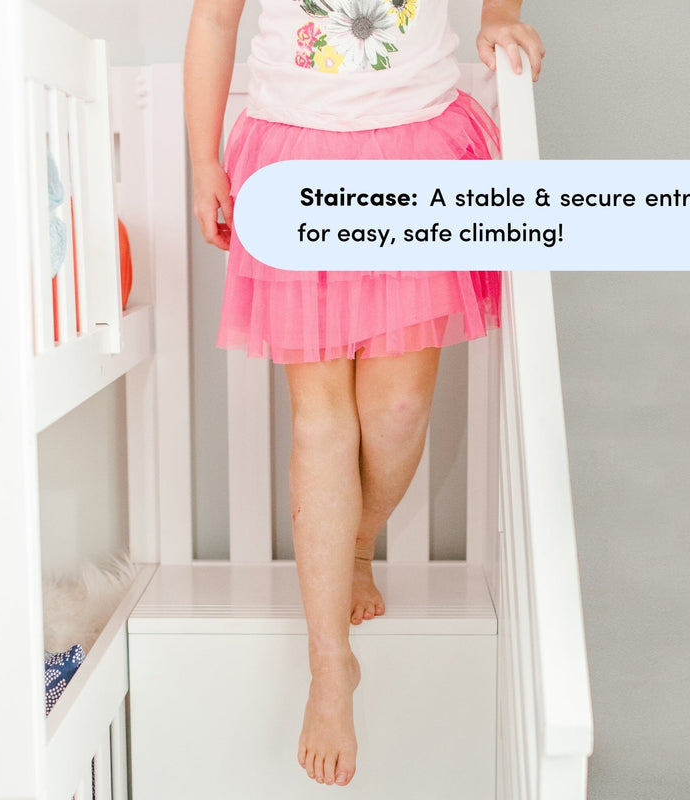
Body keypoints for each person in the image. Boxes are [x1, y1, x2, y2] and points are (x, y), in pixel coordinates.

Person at [185, 0, 544, 787]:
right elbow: (214, 20)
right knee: (319, 422)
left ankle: (355, 540)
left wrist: (500, 16)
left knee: (398, 409)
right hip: (294, 154)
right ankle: (329, 668)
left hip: (418, 144)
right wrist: (204, 160)